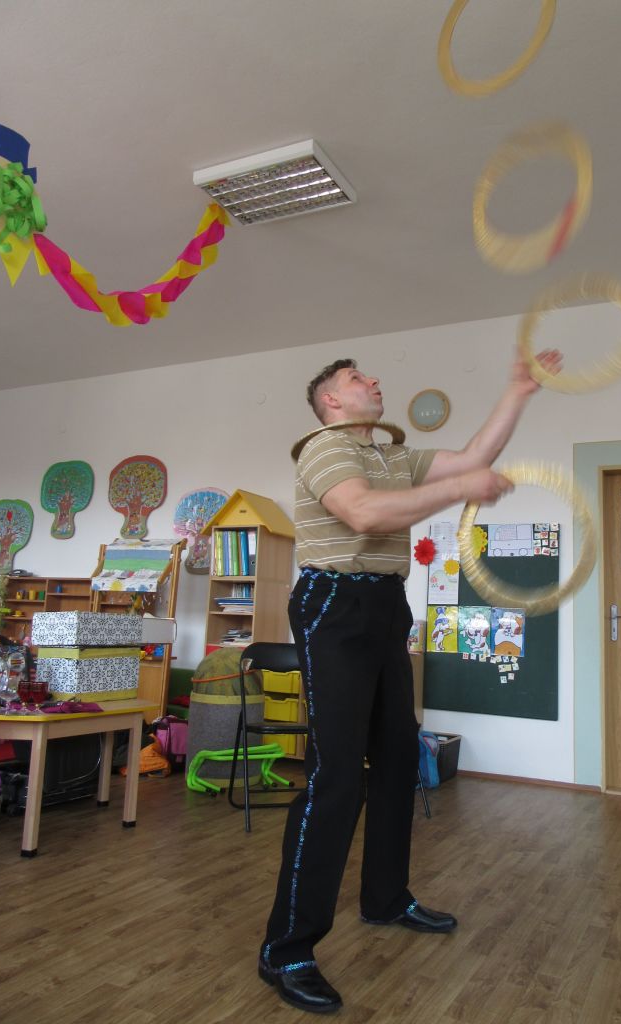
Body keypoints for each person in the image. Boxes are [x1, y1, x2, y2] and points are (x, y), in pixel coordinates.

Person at [259, 349, 561, 1014]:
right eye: (355, 378)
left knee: (399, 757)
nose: (372, 381)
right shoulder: (324, 448)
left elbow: (474, 455)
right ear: (331, 401)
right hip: (333, 605)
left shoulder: (394, 455)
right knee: (338, 776)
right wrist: (462, 489)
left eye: (369, 375)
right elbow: (365, 514)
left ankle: (386, 898)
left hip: (384, 604)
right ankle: (287, 950)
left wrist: (518, 390)